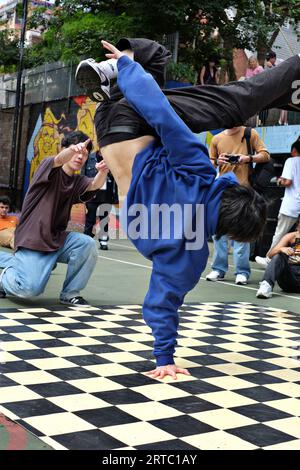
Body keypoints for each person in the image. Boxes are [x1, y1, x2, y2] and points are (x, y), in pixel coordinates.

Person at [75, 40, 273, 380]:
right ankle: (113, 80)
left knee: (155, 59)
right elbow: (161, 301)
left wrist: (129, 67)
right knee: (168, 116)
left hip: (132, 121)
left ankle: (118, 68)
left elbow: (163, 117)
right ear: (228, 230)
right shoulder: (191, 255)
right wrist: (163, 357)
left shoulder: (199, 173)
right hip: (105, 128)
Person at [0, 132, 109, 305]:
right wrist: (73, 149)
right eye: (75, 151)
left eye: (84, 154)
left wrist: (103, 171)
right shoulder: (47, 167)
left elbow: (94, 184)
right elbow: (58, 160)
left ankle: (70, 293)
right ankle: (5, 278)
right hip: (33, 239)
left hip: (57, 239)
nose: (80, 156)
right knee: (29, 289)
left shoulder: (77, 181)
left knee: (86, 244)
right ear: (64, 149)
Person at [206, 126, 270, 285]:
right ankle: (218, 269)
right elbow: (209, 163)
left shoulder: (250, 133)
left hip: (244, 192)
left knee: (242, 232)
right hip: (223, 191)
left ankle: (242, 271)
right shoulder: (216, 139)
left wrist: (247, 158)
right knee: (218, 232)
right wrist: (217, 161)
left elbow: (265, 155)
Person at [256, 139, 300, 268]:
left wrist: (279, 181)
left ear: (293, 151)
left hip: (291, 205)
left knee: (280, 233)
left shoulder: (291, 161)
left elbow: (288, 182)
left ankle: (269, 259)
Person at [82, 148, 118, 250]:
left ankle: (103, 241)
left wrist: (108, 170)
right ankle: (86, 240)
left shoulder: (111, 159)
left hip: (106, 195)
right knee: (90, 218)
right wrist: (83, 193)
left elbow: (116, 176)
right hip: (91, 195)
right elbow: (83, 175)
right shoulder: (89, 158)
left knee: (104, 219)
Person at [256, 215, 300, 298]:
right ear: (298, 223)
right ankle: (266, 285)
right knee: (279, 255)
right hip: (289, 279)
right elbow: (269, 255)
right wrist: (281, 249)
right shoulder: (290, 236)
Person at [266, 51, 288, 125]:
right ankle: (283, 121)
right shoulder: (269, 64)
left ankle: (283, 120)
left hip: (284, 84)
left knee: (284, 102)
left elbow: (280, 72)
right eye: (267, 59)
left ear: (274, 58)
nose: (268, 61)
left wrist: (272, 67)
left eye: (269, 59)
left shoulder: (280, 62)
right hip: (277, 87)